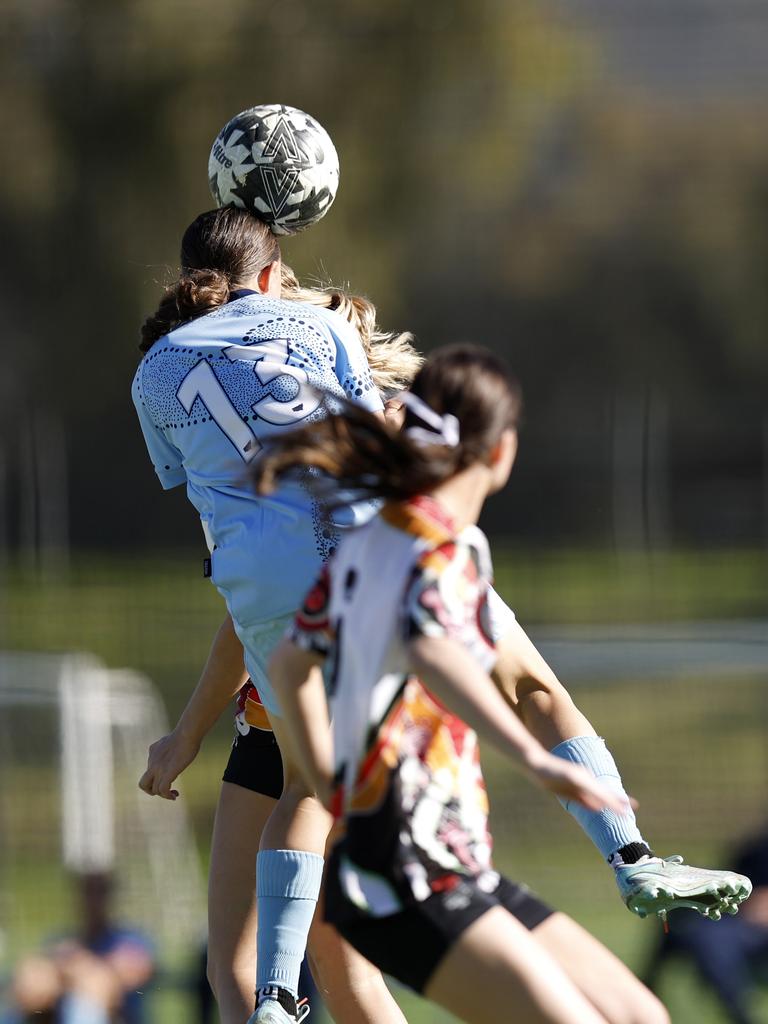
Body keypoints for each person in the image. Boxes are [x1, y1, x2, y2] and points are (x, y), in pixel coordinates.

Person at [256, 344, 745, 1024]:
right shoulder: (440, 547)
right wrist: (538, 761)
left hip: (450, 867)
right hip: (404, 881)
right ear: (503, 451)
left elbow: (288, 665)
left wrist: (330, 779)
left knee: (641, 1016)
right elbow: (433, 651)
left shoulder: (379, 537)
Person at [133, 204, 416, 1024]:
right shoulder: (253, 430)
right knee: (237, 968)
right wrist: (189, 732)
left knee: (336, 971)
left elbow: (259, 600)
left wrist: (186, 732)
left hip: (337, 707)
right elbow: (246, 605)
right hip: (271, 717)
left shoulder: (321, 408)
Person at [0, 872, 154, 1024]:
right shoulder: (62, 938)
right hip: (56, 1010)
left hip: (116, 1014)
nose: (92, 901)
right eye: (87, 893)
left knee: (93, 986)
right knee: (34, 980)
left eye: (99, 893)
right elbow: (39, 976)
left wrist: (82, 968)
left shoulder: (130, 939)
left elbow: (133, 971)